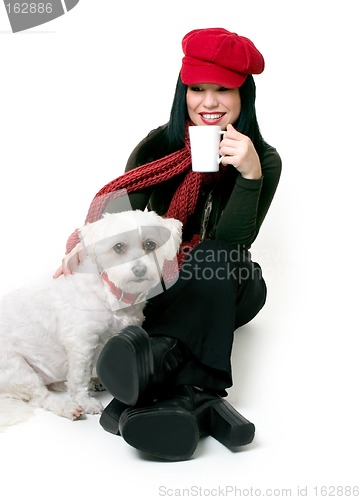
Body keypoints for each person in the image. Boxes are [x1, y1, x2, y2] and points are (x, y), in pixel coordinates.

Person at [56, 27, 282, 461]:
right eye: (198, 89)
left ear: (243, 95)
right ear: (184, 93)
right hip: (159, 283)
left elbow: (233, 244)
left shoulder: (263, 158)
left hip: (230, 284)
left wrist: (249, 176)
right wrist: (81, 249)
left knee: (215, 256)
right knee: (161, 279)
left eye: (223, 90)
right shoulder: (157, 147)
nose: (209, 103)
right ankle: (181, 389)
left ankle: (149, 365)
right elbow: (117, 222)